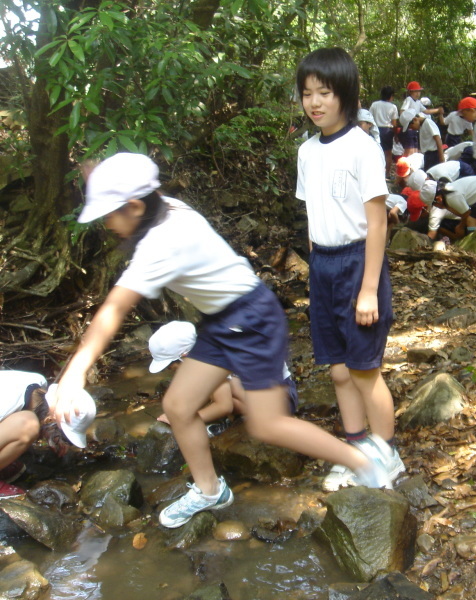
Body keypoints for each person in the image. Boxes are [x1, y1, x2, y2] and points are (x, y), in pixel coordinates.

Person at [53, 152, 394, 529]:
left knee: (266, 425)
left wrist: (73, 374)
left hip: (251, 319)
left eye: (109, 215)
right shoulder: (164, 207)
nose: (107, 225)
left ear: (134, 207)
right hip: (223, 318)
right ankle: (210, 489)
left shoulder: (159, 245)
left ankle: (364, 461)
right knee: (179, 405)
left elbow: (112, 312)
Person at [295, 48, 405, 492]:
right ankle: (357, 449)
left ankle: (388, 455)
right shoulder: (306, 151)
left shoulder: (362, 146)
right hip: (322, 263)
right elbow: (311, 216)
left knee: (363, 367)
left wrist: (367, 289)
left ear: (346, 94)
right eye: (307, 94)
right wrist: (313, 270)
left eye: (325, 92)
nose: (315, 102)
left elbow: (377, 222)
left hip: (359, 260)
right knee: (338, 370)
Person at [148, 321, 299, 436]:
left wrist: (183, 420)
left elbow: (224, 406)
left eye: (171, 366)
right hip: (281, 391)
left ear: (184, 356)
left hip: (281, 400)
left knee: (222, 390)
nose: (170, 370)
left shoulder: (210, 362)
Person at [0, 370, 91, 497]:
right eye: (63, 435)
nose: (62, 440)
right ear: (50, 420)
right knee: (28, 424)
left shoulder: (37, 382)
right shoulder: (8, 401)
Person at [422, 174, 476, 238]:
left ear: (438, 198)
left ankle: (472, 242)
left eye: (434, 204)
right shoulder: (449, 190)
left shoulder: (451, 196)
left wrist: (460, 227)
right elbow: (462, 213)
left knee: (471, 220)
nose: (435, 206)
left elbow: (467, 213)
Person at [369, 86, 399, 179]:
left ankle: (374, 173)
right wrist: (396, 135)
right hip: (387, 131)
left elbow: (369, 117)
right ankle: (387, 174)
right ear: (390, 96)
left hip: (375, 129)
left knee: (375, 152)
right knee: (388, 153)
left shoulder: (374, 104)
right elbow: (394, 123)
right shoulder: (393, 107)